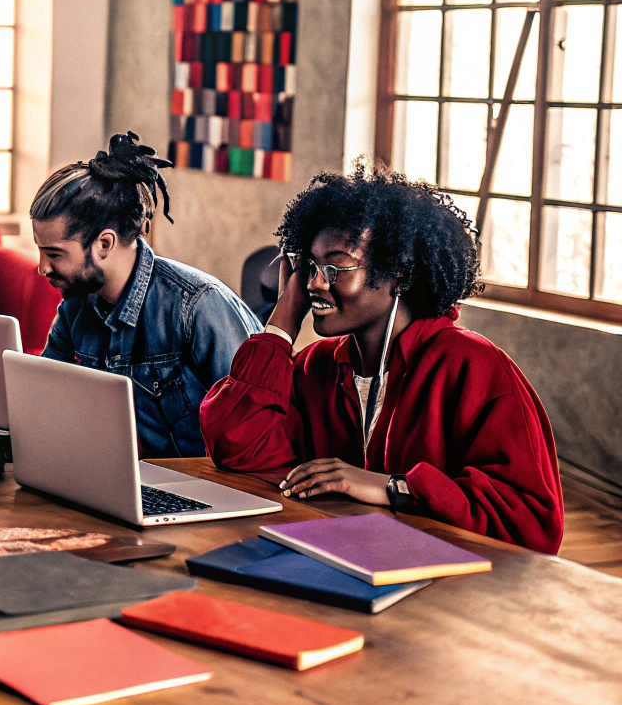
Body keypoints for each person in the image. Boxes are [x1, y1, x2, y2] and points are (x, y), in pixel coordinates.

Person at [199, 162, 564, 554]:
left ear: (400, 275)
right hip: (338, 560)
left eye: (336, 268)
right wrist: (284, 316)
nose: (315, 283)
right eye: (311, 267)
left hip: (445, 585)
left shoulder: (474, 366)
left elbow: (532, 519)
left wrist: (392, 486)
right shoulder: (316, 366)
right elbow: (237, 447)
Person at [31, 132, 261, 459]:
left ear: (104, 244)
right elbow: (43, 406)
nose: (42, 268)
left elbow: (259, 431)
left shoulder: (197, 305)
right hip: (127, 485)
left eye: (54, 254)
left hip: (211, 493)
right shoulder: (73, 311)